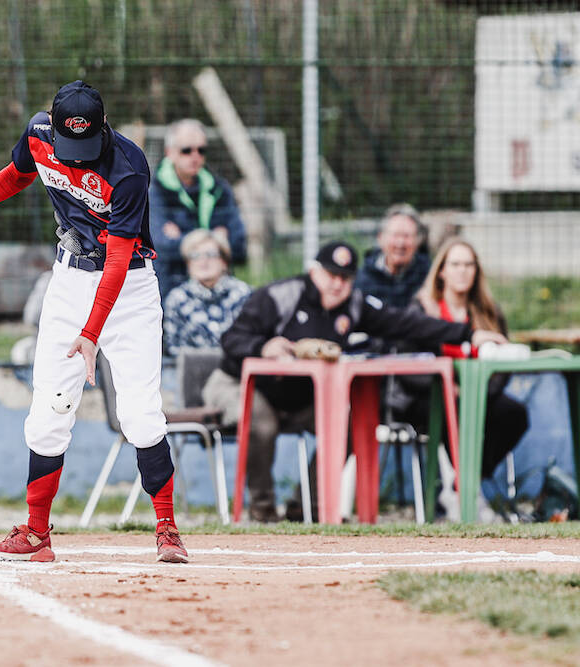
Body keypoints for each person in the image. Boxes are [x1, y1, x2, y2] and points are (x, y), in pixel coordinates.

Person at [0, 80, 188, 564]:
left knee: (140, 415)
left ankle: (167, 529)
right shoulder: (40, 133)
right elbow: (17, 175)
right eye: (69, 147)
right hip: (68, 281)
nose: (77, 158)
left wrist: (91, 335)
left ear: (104, 128)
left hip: (127, 288)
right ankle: (37, 534)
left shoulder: (128, 168)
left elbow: (120, 259)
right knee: (48, 413)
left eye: (86, 147)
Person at [201, 240, 506, 523]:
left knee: (349, 425)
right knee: (261, 423)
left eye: (345, 278)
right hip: (238, 383)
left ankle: (306, 506)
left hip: (297, 396)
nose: (337, 284)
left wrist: (467, 335)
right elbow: (232, 339)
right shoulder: (280, 295)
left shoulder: (355, 305)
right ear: (314, 271)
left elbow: (406, 323)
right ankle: (262, 511)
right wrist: (263, 347)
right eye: (331, 275)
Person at [407, 237, 529, 517]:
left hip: (478, 394)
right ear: (441, 271)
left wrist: (476, 392)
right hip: (430, 396)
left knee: (514, 414)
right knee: (457, 413)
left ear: (476, 271)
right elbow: (409, 364)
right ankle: (465, 492)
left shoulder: (488, 311)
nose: (462, 270)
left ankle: (463, 482)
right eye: (456, 264)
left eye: (468, 264)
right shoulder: (423, 308)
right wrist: (452, 389)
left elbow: (502, 363)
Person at [149, 119, 246, 301]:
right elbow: (160, 247)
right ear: (170, 153)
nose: (195, 156)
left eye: (201, 150)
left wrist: (182, 239)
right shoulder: (154, 191)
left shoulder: (220, 189)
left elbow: (239, 245)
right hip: (170, 291)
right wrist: (216, 241)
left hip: (219, 293)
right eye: (186, 150)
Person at [162, 229, 251, 356]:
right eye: (195, 256)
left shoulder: (244, 294)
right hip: (192, 372)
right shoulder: (177, 299)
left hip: (236, 370)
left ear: (224, 261)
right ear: (188, 264)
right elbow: (174, 349)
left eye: (211, 254)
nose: (203, 261)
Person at [354, 203, 431, 309]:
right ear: (380, 238)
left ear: (418, 241)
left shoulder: (429, 277)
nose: (400, 243)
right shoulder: (361, 280)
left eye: (406, 236)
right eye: (395, 235)